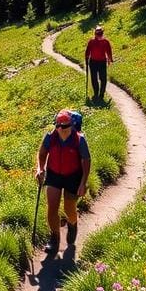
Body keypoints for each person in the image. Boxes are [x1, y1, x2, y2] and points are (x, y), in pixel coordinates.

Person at [35, 109, 91, 254]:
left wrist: (83, 183)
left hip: (73, 176)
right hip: (54, 174)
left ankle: (73, 224)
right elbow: (42, 154)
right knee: (51, 208)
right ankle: (54, 238)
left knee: (69, 209)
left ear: (71, 125)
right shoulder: (50, 137)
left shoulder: (79, 139)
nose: (61, 129)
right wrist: (40, 169)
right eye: (58, 126)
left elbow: (86, 160)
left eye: (64, 126)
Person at [84, 25, 113, 101]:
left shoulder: (105, 42)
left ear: (102, 34)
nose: (99, 36)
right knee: (94, 79)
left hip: (102, 62)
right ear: (95, 34)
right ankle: (96, 94)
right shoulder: (91, 41)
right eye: (98, 34)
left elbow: (109, 51)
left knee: (103, 78)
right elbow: (87, 51)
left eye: (100, 34)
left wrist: (110, 59)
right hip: (93, 62)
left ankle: (101, 94)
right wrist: (86, 60)